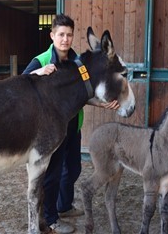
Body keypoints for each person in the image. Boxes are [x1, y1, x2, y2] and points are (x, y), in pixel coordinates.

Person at [22, 14, 119, 233]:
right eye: (61, 35)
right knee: (53, 173)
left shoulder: (78, 63)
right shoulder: (42, 60)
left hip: (72, 125)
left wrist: (101, 104)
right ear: (52, 35)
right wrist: (38, 72)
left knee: (73, 168)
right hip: (50, 129)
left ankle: (63, 206)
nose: (65, 39)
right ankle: (50, 218)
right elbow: (21, 82)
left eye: (69, 35)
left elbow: (85, 92)